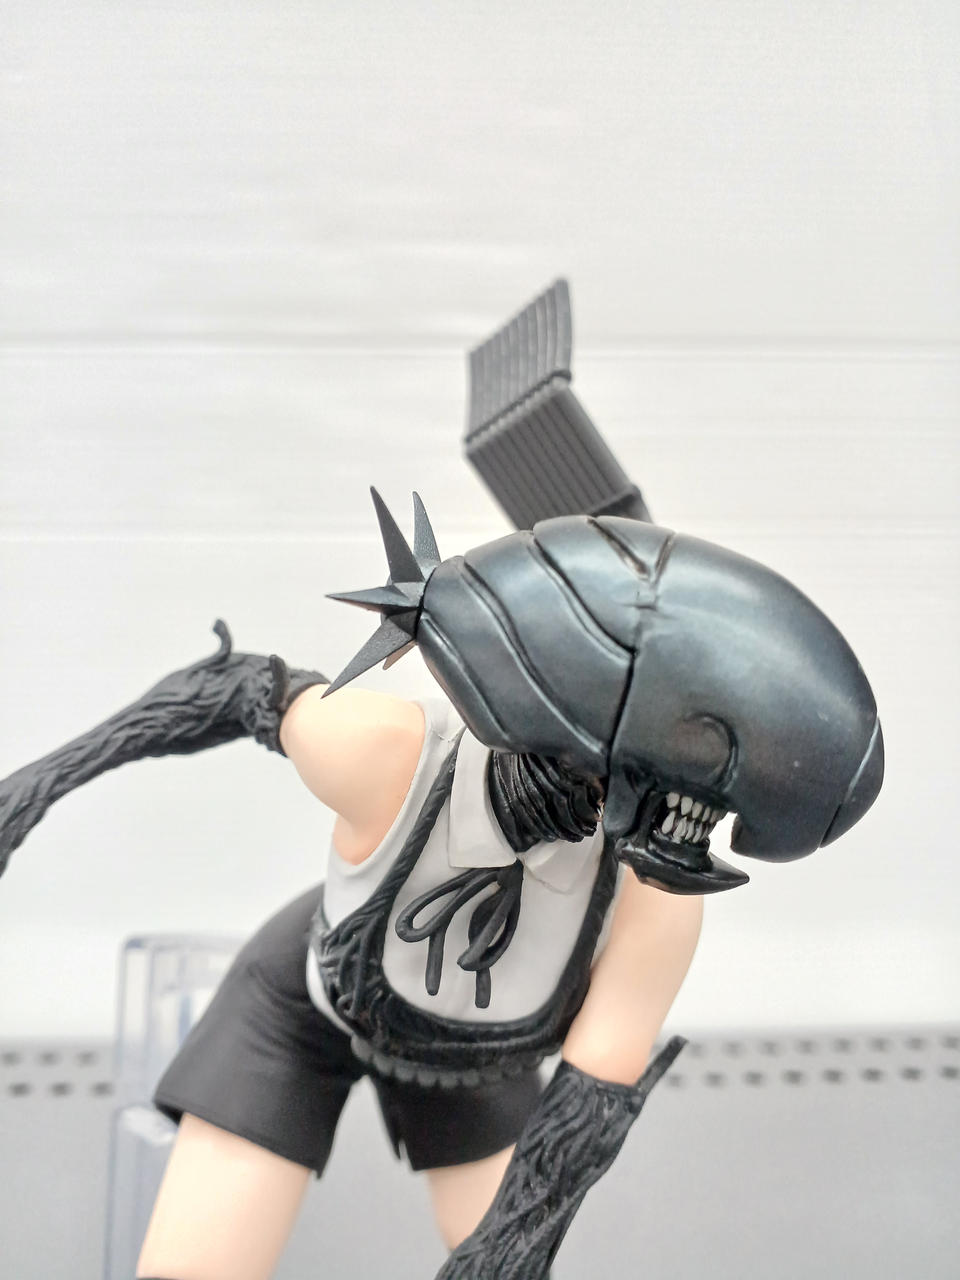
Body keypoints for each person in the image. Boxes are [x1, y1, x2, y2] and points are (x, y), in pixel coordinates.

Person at [0, 495, 882, 1280]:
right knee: (194, 1267)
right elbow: (235, 691)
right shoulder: (386, 756)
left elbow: (587, 1099)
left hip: (479, 1056)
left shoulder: (655, 896)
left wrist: (500, 1257)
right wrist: (36, 787)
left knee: (498, 1244)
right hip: (304, 1008)